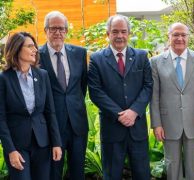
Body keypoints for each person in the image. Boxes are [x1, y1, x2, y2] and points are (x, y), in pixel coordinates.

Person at [88, 15, 153, 179]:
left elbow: (148, 86)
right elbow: (96, 92)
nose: (119, 36)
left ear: (129, 33)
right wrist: (120, 115)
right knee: (112, 175)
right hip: (112, 129)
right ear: (108, 34)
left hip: (137, 128)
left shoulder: (141, 56)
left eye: (123, 31)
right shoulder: (96, 59)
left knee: (142, 174)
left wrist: (134, 111)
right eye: (115, 31)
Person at [150, 22, 194, 180]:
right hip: (168, 122)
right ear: (168, 37)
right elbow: (154, 95)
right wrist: (157, 124)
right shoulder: (156, 62)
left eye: (183, 35)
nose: (180, 38)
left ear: (188, 37)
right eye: (176, 34)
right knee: (172, 166)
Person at [0, 32, 62, 180]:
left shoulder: (42, 75)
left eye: (34, 46)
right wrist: (10, 150)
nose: (35, 49)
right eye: (30, 46)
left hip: (42, 143)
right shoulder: (4, 79)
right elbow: (1, 119)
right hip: (17, 146)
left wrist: (56, 143)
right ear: (16, 49)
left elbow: (50, 112)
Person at [38, 11, 88, 180]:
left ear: (66, 31)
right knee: (53, 172)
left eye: (61, 28)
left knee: (78, 172)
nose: (58, 32)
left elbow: (82, 86)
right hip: (51, 126)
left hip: (77, 124)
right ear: (46, 30)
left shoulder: (80, 53)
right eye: (53, 28)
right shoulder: (36, 55)